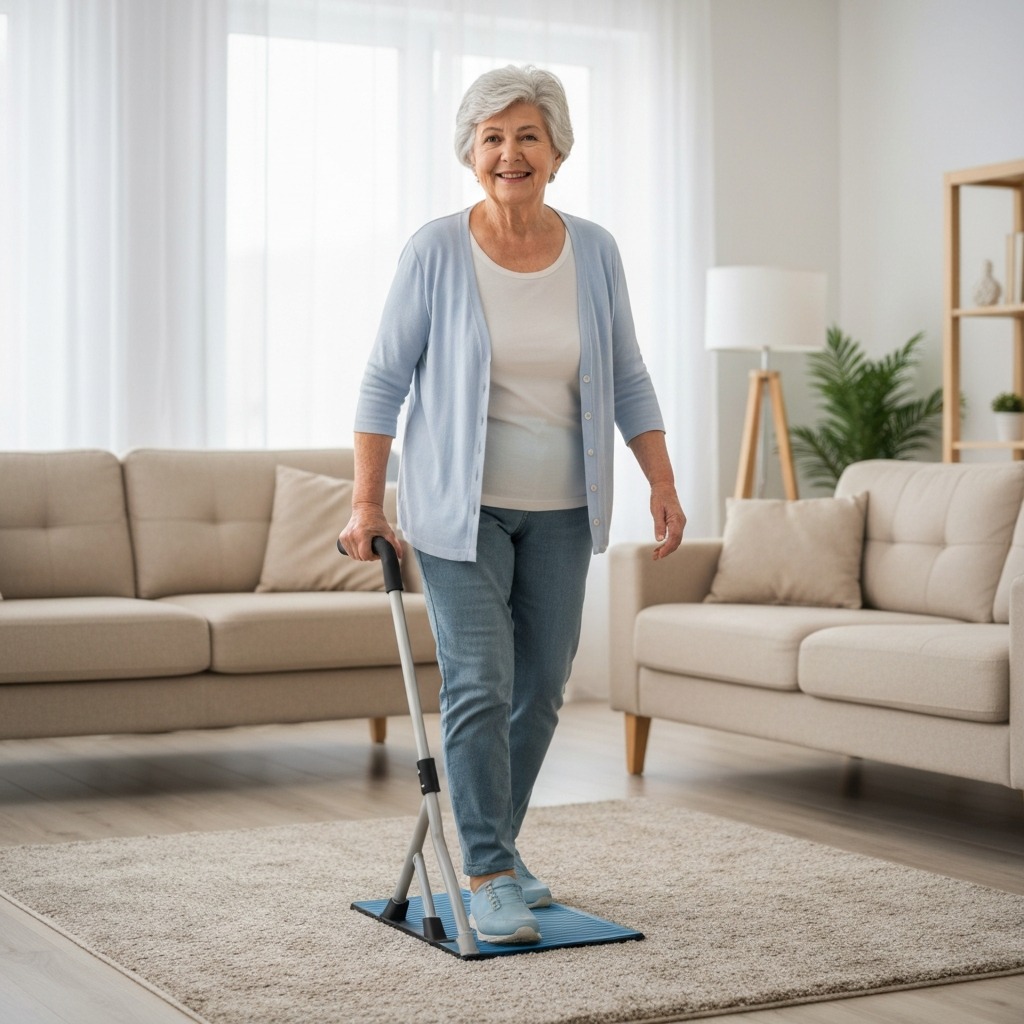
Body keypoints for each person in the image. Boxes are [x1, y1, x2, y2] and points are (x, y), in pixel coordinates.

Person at [339, 64, 685, 945]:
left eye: (528, 134)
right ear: (471, 153)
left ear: (558, 151)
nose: (510, 152)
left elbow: (630, 377)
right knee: (481, 684)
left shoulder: (595, 250)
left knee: (540, 690)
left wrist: (663, 483)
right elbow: (384, 384)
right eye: (492, 137)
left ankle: (501, 846)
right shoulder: (436, 250)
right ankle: (489, 869)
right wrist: (366, 504)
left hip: (565, 509)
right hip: (461, 513)